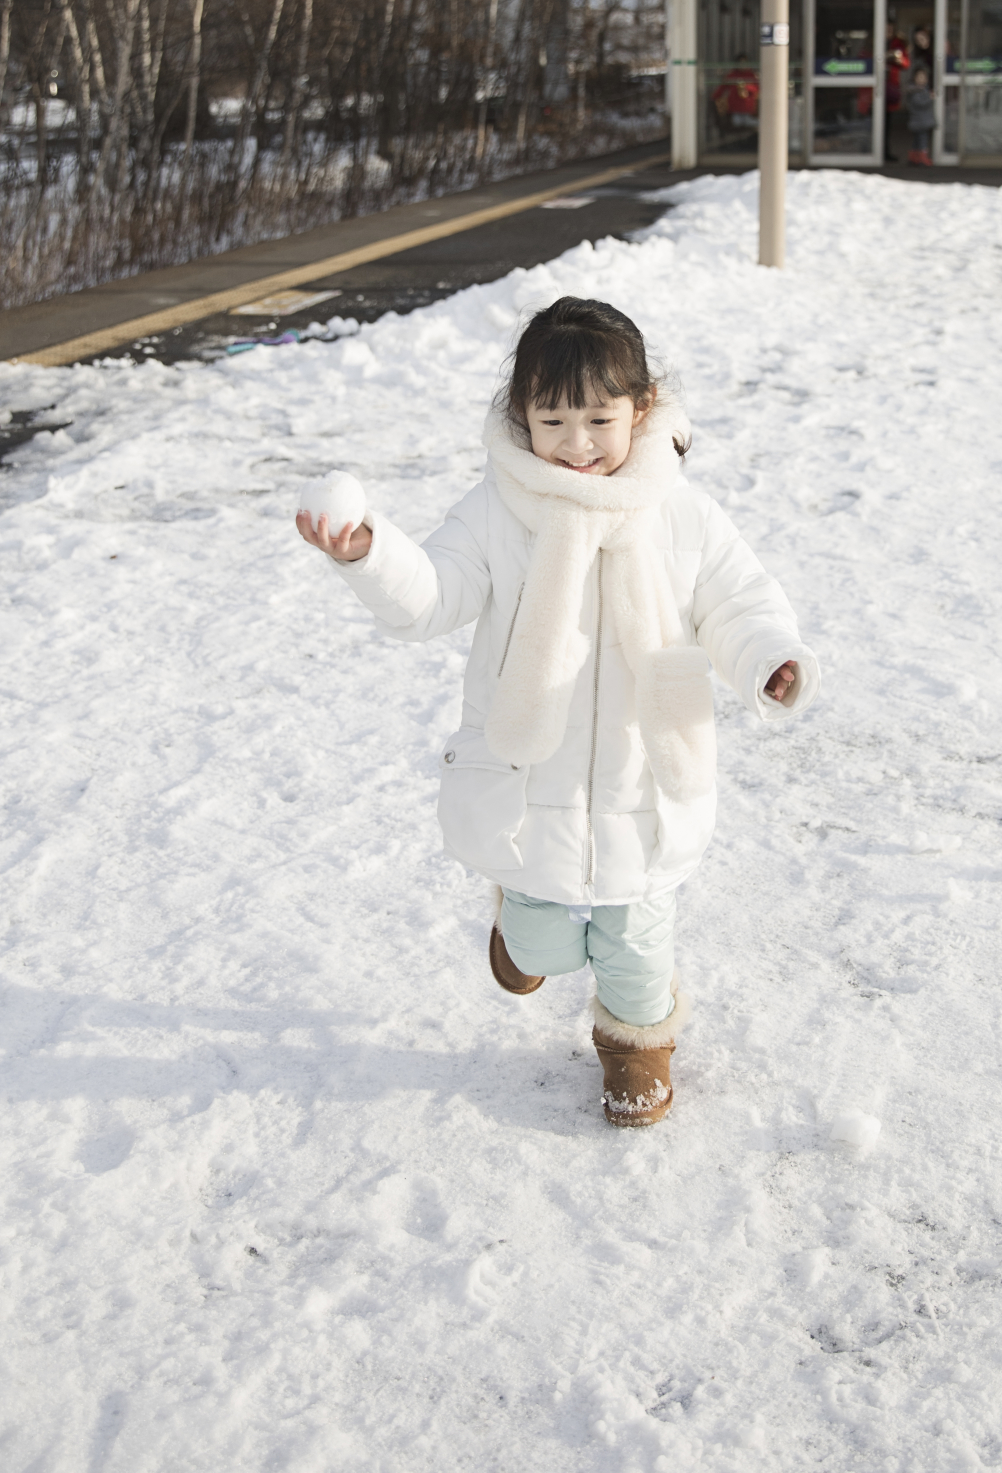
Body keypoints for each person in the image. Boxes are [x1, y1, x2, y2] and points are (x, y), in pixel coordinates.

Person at [297, 297, 819, 1128]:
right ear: (520, 416)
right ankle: (521, 927)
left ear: (640, 410)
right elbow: (431, 597)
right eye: (553, 420)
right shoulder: (498, 508)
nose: (576, 445)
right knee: (543, 940)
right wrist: (371, 555)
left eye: (599, 419)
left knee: (635, 940)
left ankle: (635, 1045)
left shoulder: (681, 513)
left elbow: (739, 602)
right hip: (525, 780)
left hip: (643, 774)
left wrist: (769, 658)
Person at [904, 66, 937, 166]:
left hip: (921, 121)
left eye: (924, 78)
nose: (922, 80)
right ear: (914, 79)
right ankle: (922, 159)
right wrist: (930, 98)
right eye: (919, 77)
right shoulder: (916, 92)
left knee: (917, 141)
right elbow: (920, 103)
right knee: (922, 141)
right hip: (920, 122)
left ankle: (915, 158)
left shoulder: (923, 90)